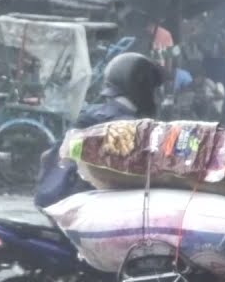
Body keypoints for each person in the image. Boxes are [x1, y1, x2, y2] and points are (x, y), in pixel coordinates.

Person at [35, 52, 165, 209]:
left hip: (50, 199)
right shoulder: (128, 126)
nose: (157, 98)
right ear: (142, 88)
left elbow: (49, 155)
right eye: (154, 90)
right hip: (82, 205)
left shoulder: (91, 114)